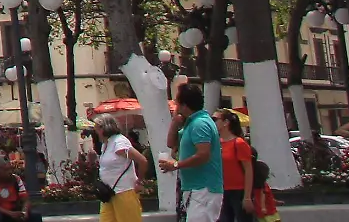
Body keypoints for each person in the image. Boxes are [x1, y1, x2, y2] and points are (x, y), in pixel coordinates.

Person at [160, 83, 223, 222]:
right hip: (195, 188)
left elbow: (203, 155)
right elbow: (171, 143)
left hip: (204, 188)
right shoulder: (191, 123)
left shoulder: (200, 124)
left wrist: (176, 165)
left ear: (184, 105)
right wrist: (175, 121)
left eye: (177, 103)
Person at [92, 115, 148, 222]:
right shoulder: (106, 144)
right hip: (109, 193)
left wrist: (140, 181)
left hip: (124, 191)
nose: (96, 132)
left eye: (97, 129)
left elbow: (142, 161)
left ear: (104, 128)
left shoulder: (120, 143)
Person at [215, 111, 255, 222]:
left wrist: (247, 196)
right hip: (221, 191)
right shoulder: (216, 144)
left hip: (239, 191)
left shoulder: (238, 143)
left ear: (225, 123)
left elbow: (248, 169)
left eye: (215, 119)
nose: (213, 122)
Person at [0, 156, 34, 222]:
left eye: (10, 169)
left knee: (35, 216)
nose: (10, 172)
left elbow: (25, 199)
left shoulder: (16, 179)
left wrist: (25, 211)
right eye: (6, 170)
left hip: (12, 210)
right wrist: (10, 213)